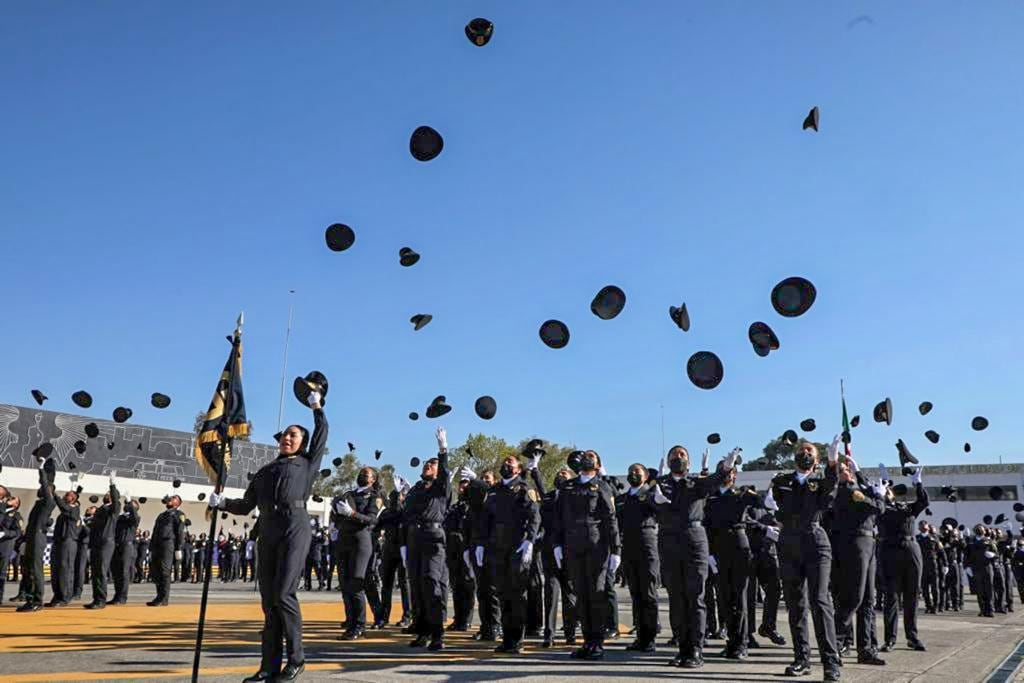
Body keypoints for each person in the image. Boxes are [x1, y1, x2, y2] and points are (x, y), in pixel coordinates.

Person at [209, 389, 327, 682]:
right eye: (285, 435)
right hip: (269, 530)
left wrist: (317, 408)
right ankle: (269, 665)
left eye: (294, 436)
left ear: (302, 443)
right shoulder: (265, 471)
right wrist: (221, 503)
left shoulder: (308, 463)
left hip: (294, 527)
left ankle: (297, 659)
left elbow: (322, 433)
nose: (287, 438)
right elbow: (246, 505)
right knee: (269, 601)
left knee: (285, 593)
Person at [652, 445, 734, 668]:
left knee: (695, 595)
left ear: (689, 461)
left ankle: (696, 649)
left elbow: (714, 481)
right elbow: (649, 505)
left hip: (694, 539)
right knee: (676, 598)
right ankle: (682, 648)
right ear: (667, 461)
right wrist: (653, 497)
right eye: (674, 455)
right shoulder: (661, 484)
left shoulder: (696, 483)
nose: (678, 458)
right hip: (669, 541)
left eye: (682, 455)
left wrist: (726, 467)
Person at [770, 437, 841, 681]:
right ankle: (802, 659)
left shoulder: (820, 483)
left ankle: (830, 662)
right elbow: (780, 505)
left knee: (820, 601)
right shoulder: (782, 481)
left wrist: (833, 464)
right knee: (795, 605)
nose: (805, 454)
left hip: (815, 541)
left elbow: (829, 495)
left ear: (817, 460)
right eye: (801, 451)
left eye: (810, 451)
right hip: (789, 542)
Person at [552, 449, 621, 661]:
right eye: (585, 455)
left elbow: (610, 519)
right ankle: (587, 642)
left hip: (596, 546)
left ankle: (597, 643)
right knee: (581, 595)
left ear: (598, 465)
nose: (587, 458)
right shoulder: (568, 487)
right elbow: (558, 517)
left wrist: (616, 549)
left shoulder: (602, 487)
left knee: (596, 594)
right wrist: (557, 544)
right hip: (573, 546)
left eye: (592, 455)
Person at [476, 452, 541, 654]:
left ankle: (516, 638)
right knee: (502, 593)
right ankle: (507, 638)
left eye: (510, 462)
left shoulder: (523, 488)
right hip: (497, 547)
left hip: (516, 546)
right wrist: (480, 544)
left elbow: (534, 516)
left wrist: (529, 540)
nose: (505, 464)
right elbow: (485, 520)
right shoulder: (494, 491)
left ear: (519, 469)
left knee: (516, 593)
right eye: (504, 462)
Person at [829, 457, 886, 666]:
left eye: (849, 470)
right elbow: (878, 508)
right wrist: (879, 497)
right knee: (854, 598)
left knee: (868, 600)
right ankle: (834, 643)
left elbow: (872, 495)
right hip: (855, 543)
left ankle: (866, 648)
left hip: (868, 542)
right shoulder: (846, 491)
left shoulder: (856, 487)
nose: (848, 472)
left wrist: (860, 472)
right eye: (844, 470)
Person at [400, 427, 452, 651]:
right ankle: (422, 632)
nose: (427, 466)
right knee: (418, 587)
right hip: (414, 538)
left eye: (432, 464)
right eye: (426, 464)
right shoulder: (416, 489)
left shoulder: (441, 488)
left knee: (432, 584)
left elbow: (444, 472)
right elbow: (406, 515)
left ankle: (437, 634)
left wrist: (443, 450)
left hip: (433, 538)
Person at [705, 464, 760, 660]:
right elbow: (707, 526)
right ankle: (731, 641)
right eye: (722, 471)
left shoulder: (741, 494)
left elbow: (761, 503)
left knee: (740, 597)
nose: (726, 475)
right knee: (724, 598)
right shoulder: (710, 498)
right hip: (718, 548)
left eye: (730, 472)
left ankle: (742, 643)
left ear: (735, 475)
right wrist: (710, 553)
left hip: (738, 545)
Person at [878, 466, 929, 652]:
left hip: (911, 551)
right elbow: (878, 502)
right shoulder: (882, 508)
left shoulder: (909, 509)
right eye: (893, 492)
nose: (897, 496)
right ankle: (890, 639)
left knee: (912, 596)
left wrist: (918, 483)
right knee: (891, 597)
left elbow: (923, 501)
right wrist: (883, 484)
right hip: (890, 552)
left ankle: (912, 636)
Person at [333, 466, 384, 640]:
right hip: (344, 540)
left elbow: (372, 519)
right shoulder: (349, 494)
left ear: (373, 479)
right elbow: (337, 516)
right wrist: (338, 514)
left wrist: (352, 513)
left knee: (356, 584)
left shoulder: (374, 496)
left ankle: (360, 625)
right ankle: (351, 622)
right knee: (345, 584)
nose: (362, 475)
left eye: (366, 474)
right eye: (361, 473)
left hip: (361, 542)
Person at [532, 464, 576, 649]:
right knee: (550, 592)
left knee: (570, 594)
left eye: (564, 474)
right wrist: (535, 471)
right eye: (559, 474)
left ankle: (570, 632)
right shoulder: (550, 497)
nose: (561, 476)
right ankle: (549, 635)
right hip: (550, 550)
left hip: (570, 549)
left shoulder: (574, 496)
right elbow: (542, 492)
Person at [617, 462, 660, 653]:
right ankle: (640, 637)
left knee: (649, 593)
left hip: (647, 544)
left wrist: (655, 489)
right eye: (630, 471)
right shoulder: (624, 498)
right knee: (636, 594)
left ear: (645, 475)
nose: (633, 474)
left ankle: (649, 638)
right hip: (629, 546)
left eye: (637, 471)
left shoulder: (650, 495)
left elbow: (659, 509)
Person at [466, 470, 501, 642]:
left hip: (494, 546)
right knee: (482, 590)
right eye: (482, 478)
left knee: (493, 590)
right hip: (478, 544)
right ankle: (486, 627)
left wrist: (478, 482)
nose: (484, 481)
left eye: (488, 478)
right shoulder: (477, 500)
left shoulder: (497, 495)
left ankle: (496, 625)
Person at [18, 457, 57, 612]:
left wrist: (41, 469)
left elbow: (45, 484)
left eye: (45, 488)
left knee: (35, 569)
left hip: (38, 537)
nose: (40, 489)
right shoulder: (39, 503)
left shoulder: (49, 501)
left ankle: (37, 600)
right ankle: (29, 598)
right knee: (27, 569)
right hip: (32, 536)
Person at [444, 470, 476, 632]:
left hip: (466, 547)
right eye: (460, 487)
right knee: (456, 585)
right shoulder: (456, 506)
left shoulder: (473, 506)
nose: (462, 490)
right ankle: (458, 618)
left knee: (468, 585)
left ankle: (467, 619)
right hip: (453, 548)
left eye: (465, 487)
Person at [377, 486, 412, 628]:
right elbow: (376, 526)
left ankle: (407, 616)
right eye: (393, 498)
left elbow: (403, 516)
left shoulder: (405, 511)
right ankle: (384, 617)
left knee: (405, 584)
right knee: (387, 585)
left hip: (403, 549)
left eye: (397, 498)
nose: (394, 501)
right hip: (389, 550)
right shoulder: (386, 513)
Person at [84, 470, 120, 610]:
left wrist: (112, 484)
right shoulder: (100, 509)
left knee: (101, 571)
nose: (106, 495)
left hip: (106, 542)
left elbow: (116, 502)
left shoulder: (114, 509)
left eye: (109, 494)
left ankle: (101, 600)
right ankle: (97, 598)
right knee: (96, 571)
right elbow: (94, 527)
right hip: (96, 543)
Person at [148, 494, 186, 606]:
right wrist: (151, 548)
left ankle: (164, 599)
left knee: (165, 571)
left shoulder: (179, 514)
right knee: (156, 571)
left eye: (174, 498)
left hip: (168, 544)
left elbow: (180, 531)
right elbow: (154, 531)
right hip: (157, 545)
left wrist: (178, 548)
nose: (170, 499)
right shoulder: (161, 515)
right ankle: (158, 596)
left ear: (178, 503)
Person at [47, 486, 81, 607]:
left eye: (68, 495)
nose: (65, 496)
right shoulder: (65, 512)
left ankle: (65, 597)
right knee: (56, 570)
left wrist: (54, 494)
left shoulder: (74, 509)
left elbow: (63, 507)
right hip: (59, 542)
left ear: (73, 499)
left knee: (65, 569)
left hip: (68, 542)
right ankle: (57, 595)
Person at [110, 495, 140, 604]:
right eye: (127, 504)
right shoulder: (120, 517)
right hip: (117, 545)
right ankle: (117, 595)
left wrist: (130, 502)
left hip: (127, 546)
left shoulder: (135, 517)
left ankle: (122, 597)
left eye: (131, 504)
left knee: (123, 572)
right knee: (116, 571)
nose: (127, 505)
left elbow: (134, 517)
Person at [0, 493, 24, 604]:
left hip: (4, 546)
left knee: (1, 573)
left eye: (14, 498)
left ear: (16, 504)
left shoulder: (16, 515)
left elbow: (18, 532)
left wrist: (5, 533)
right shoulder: (1, 509)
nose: (11, 498)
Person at [72, 508, 92, 601]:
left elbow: (89, 532)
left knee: (80, 568)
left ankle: (77, 591)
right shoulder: (80, 518)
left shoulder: (93, 520)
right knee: (72, 568)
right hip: (75, 543)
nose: (88, 509)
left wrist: (83, 525)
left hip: (84, 545)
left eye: (92, 508)